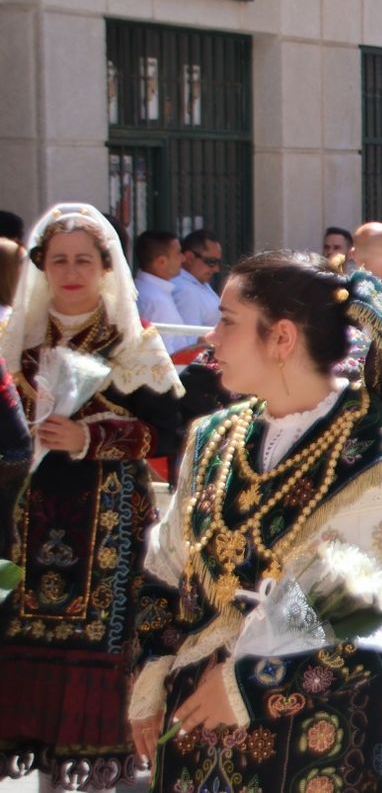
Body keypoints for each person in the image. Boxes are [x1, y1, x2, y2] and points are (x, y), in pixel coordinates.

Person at [128, 254, 382, 791]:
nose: (211, 336)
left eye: (228, 320)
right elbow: (168, 568)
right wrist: (152, 668)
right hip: (198, 732)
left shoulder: (378, 458)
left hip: (324, 738)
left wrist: (250, 686)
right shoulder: (214, 437)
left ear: (281, 339)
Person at [0, 204, 184, 788]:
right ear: (40, 267)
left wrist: (93, 435)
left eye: (84, 259)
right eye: (59, 260)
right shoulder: (17, 340)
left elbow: (172, 431)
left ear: (106, 266)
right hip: (25, 517)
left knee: (102, 644)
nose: (71, 270)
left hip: (105, 520)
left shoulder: (134, 342)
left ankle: (100, 768)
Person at [134, 228, 191, 351]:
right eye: (178, 253)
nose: (183, 258)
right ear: (161, 262)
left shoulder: (142, 287)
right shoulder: (157, 301)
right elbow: (166, 355)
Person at [172, 228, 223, 329]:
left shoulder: (198, 282)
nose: (216, 269)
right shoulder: (185, 291)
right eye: (211, 262)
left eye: (217, 262)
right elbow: (192, 337)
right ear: (189, 257)